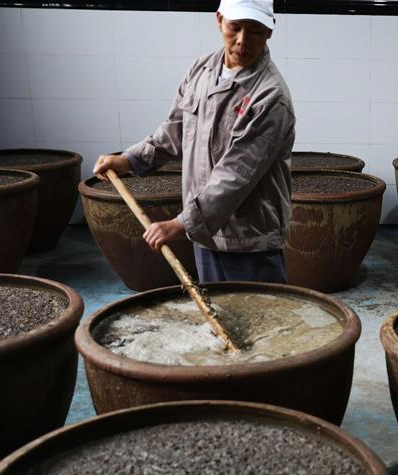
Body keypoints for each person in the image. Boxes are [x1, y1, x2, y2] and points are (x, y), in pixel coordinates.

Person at [93, 0, 294, 283]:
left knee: (263, 322)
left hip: (249, 238)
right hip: (206, 234)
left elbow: (235, 176)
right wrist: (130, 159)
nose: (242, 41)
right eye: (234, 28)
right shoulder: (202, 70)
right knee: (218, 319)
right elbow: (176, 129)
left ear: (270, 31)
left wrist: (181, 223)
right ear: (219, 20)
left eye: (255, 31)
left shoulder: (270, 96)